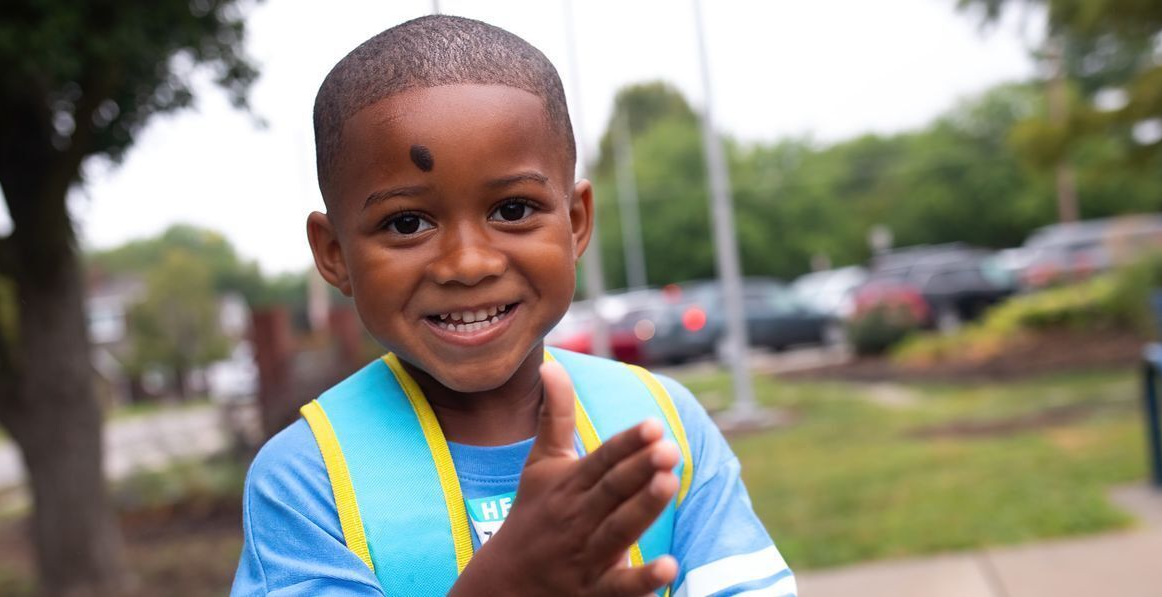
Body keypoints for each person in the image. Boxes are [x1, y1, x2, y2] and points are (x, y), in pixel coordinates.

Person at [231, 15, 793, 596]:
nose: (469, 263)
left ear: (575, 223)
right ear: (334, 253)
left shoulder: (661, 425)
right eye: (407, 222)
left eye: (513, 210)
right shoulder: (309, 479)